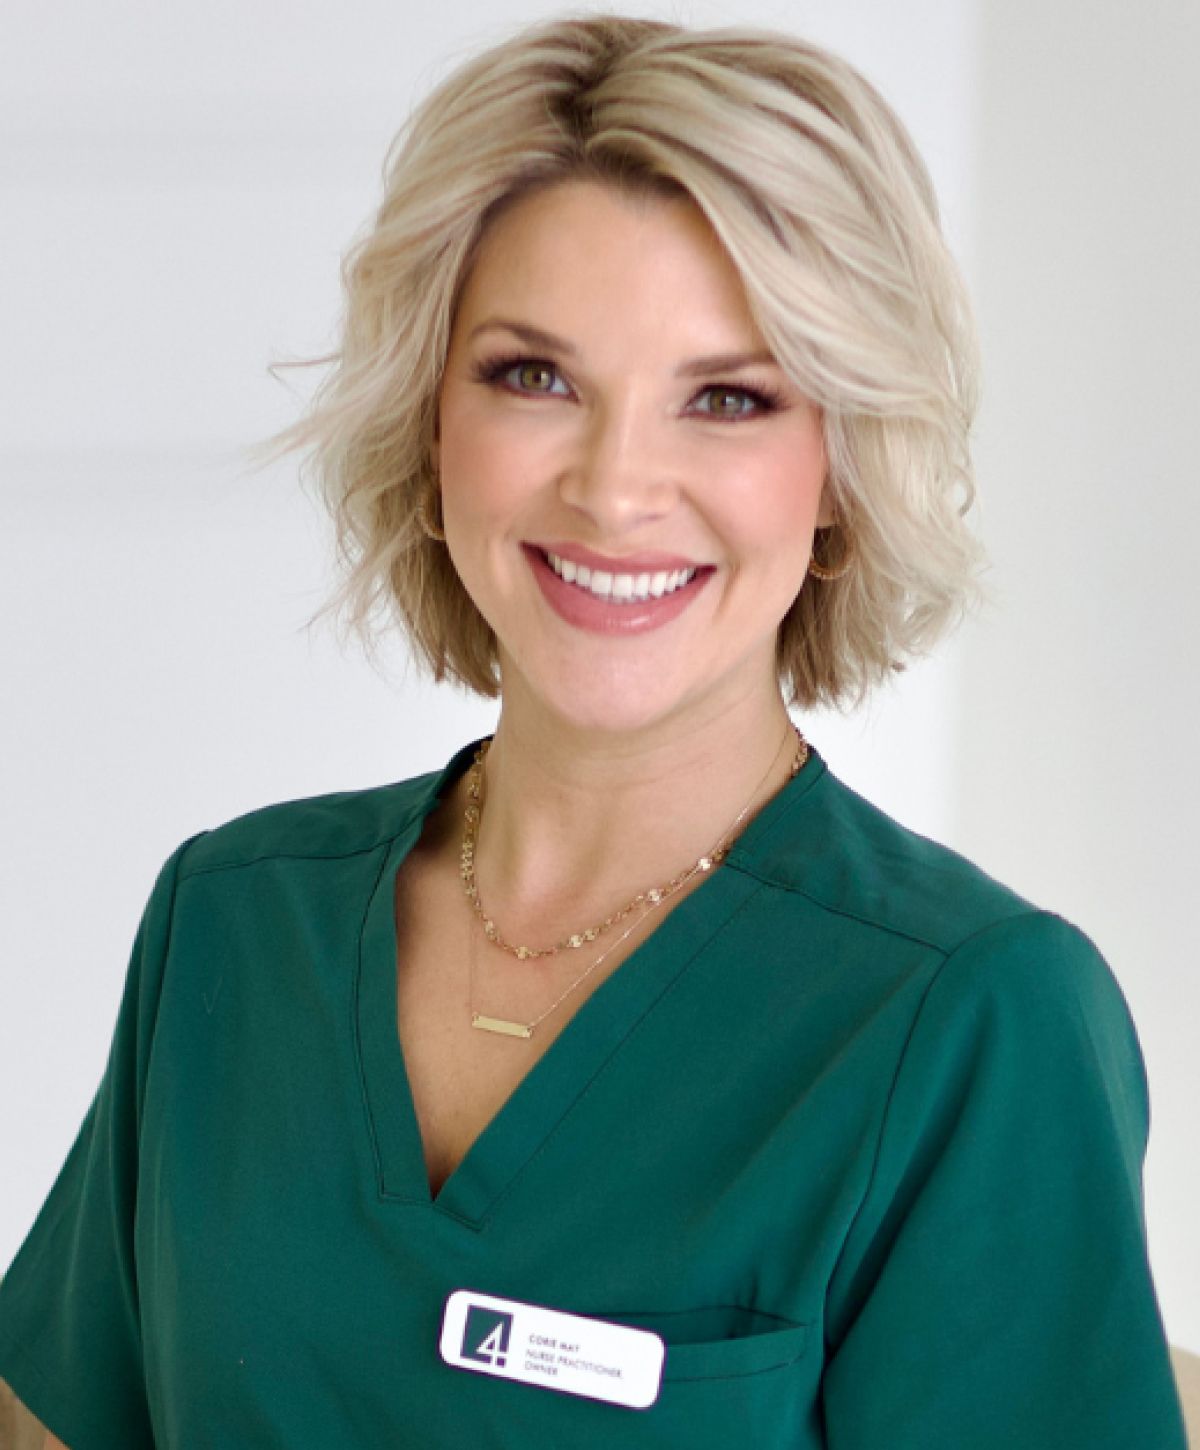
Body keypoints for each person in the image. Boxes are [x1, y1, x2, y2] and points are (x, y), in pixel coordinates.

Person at [0, 13, 1188, 1449]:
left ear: (840, 474)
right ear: (430, 425)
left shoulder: (971, 1021)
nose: (617, 489)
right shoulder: (232, 926)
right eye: (535, 377)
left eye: (728, 399)